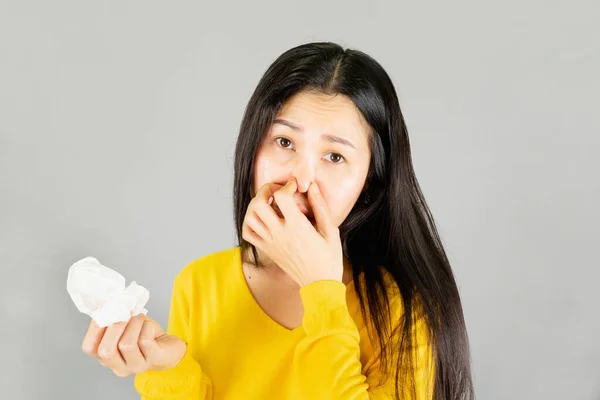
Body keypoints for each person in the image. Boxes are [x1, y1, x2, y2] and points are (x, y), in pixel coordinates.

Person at [81, 41, 475, 400]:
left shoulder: (401, 311)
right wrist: (165, 367)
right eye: (284, 142)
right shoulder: (199, 284)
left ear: (369, 183)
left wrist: (320, 289)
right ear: (253, 150)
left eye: (334, 157)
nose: (300, 179)